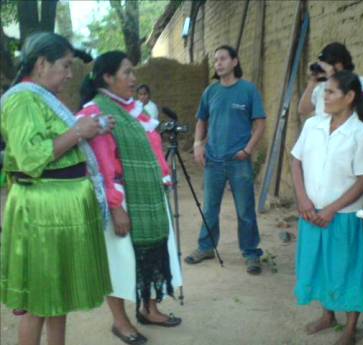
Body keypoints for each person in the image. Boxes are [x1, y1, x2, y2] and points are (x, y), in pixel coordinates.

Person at [0, 32, 112, 345]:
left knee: (56, 298)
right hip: (42, 211)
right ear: (41, 63)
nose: (69, 73)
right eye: (64, 65)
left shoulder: (38, 96)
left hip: (55, 211)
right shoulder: (22, 99)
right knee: (38, 300)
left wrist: (88, 129)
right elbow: (31, 157)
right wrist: (78, 131)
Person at [78, 51, 182, 345]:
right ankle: (120, 321)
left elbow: (154, 149)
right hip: (122, 203)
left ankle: (150, 309)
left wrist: (162, 177)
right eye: (127, 73)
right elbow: (100, 166)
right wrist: (115, 207)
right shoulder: (97, 113)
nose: (133, 79)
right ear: (107, 78)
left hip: (148, 198)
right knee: (120, 262)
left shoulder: (136, 109)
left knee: (150, 255)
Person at [291, 70, 363, 345]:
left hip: (342, 217)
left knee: (347, 269)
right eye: (324, 91)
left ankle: (350, 328)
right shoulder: (313, 125)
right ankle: (327, 315)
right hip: (311, 212)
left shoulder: (361, 134)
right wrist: (303, 199)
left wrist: (330, 209)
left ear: (350, 97)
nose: (324, 97)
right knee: (319, 265)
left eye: (330, 92)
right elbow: (296, 161)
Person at [184, 45, 266, 275]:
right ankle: (206, 247)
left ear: (234, 62)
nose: (218, 63)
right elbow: (201, 120)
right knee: (210, 207)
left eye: (223, 59)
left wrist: (248, 150)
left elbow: (260, 123)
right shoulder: (210, 92)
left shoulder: (248, 90)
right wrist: (198, 144)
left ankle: (251, 253)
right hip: (213, 160)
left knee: (245, 210)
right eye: (216, 60)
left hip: (239, 160)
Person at [298, 42, 363, 118]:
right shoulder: (322, 84)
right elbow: (303, 110)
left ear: (343, 63)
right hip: (322, 128)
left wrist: (332, 78)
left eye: (332, 62)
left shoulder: (359, 81)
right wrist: (312, 83)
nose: (329, 66)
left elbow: (351, 106)